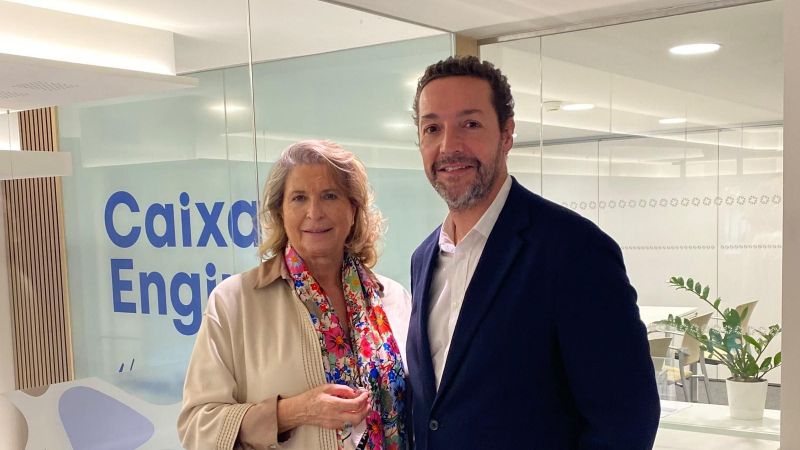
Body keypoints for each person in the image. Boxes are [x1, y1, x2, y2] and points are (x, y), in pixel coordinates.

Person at [405, 56, 660, 449]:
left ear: (506, 135)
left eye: (470, 124)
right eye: (432, 128)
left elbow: (627, 420)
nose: (448, 146)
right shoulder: (424, 258)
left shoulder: (574, 250)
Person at [178, 140, 409, 450]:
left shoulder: (393, 298)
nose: (314, 212)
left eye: (330, 195)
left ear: (353, 210)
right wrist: (293, 412)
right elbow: (196, 427)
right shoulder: (234, 302)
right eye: (299, 198)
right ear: (281, 212)